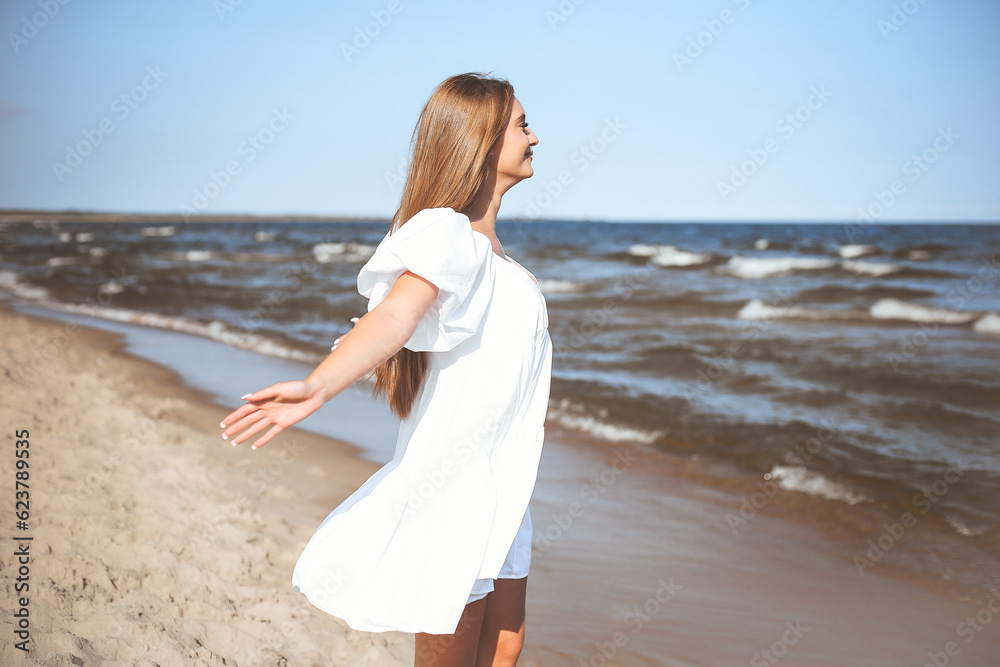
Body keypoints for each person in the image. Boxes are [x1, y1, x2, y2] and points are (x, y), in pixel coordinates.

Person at [219, 72, 548, 667]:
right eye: (522, 125)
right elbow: (396, 315)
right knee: (451, 651)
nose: (535, 136)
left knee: (506, 647)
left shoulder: (497, 256)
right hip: (455, 484)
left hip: (505, 484)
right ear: (479, 139)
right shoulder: (450, 235)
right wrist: (317, 386)